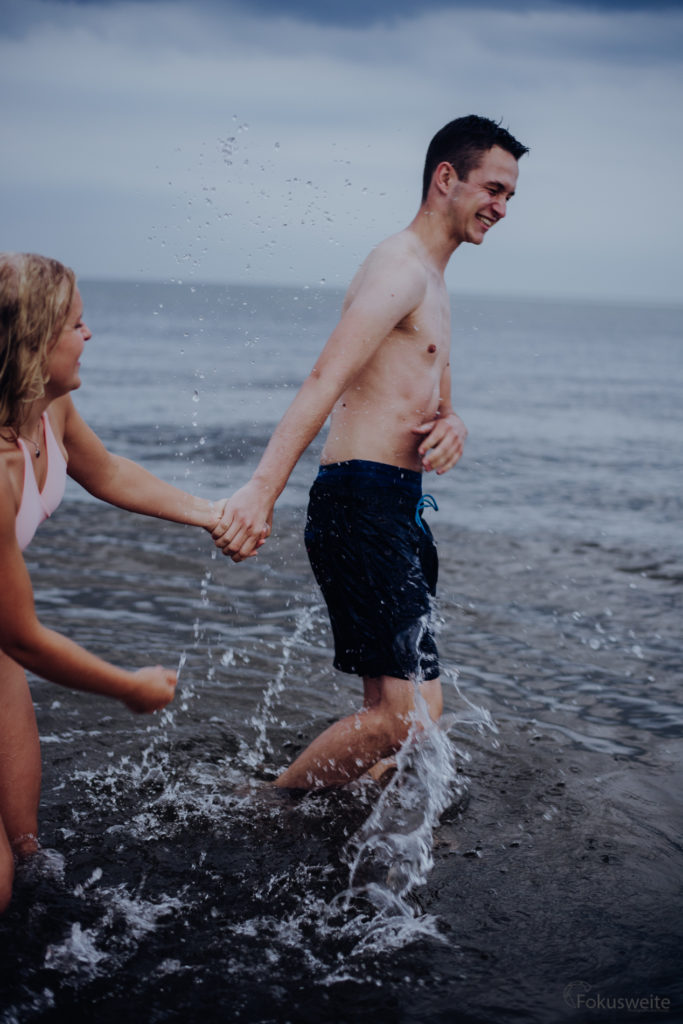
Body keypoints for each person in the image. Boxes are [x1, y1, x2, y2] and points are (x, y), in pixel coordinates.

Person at [213, 115, 529, 789]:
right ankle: (271, 807)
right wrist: (259, 492)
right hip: (360, 500)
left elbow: (434, 405)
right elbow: (325, 378)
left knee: (400, 712)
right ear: (445, 178)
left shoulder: (435, 284)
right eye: (493, 188)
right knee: (408, 716)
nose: (501, 208)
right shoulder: (400, 267)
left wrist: (455, 427)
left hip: (396, 505)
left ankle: (351, 828)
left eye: (510, 196)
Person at [0, 252, 232, 913]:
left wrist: (210, 515)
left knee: (27, 852)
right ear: (33, 341)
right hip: (6, 641)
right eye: (76, 324)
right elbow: (24, 638)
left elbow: (108, 473)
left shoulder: (50, 412)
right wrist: (126, 687)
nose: (89, 335)